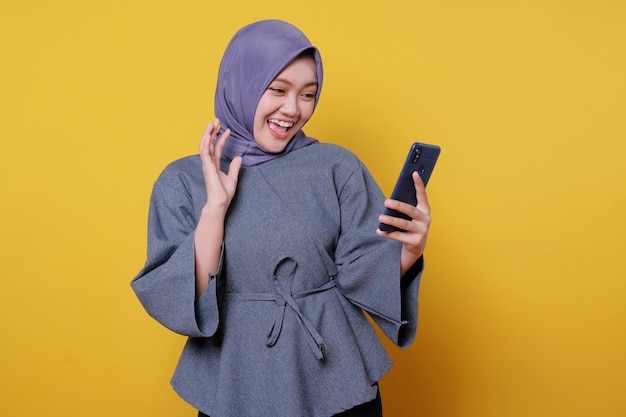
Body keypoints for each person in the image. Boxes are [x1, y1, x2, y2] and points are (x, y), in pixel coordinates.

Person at [131, 19, 431, 417]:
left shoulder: (336, 166)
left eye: (308, 94)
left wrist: (410, 249)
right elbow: (182, 298)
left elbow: (364, 274)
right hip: (235, 380)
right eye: (277, 90)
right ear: (242, 84)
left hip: (335, 375)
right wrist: (215, 208)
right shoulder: (184, 180)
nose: (293, 109)